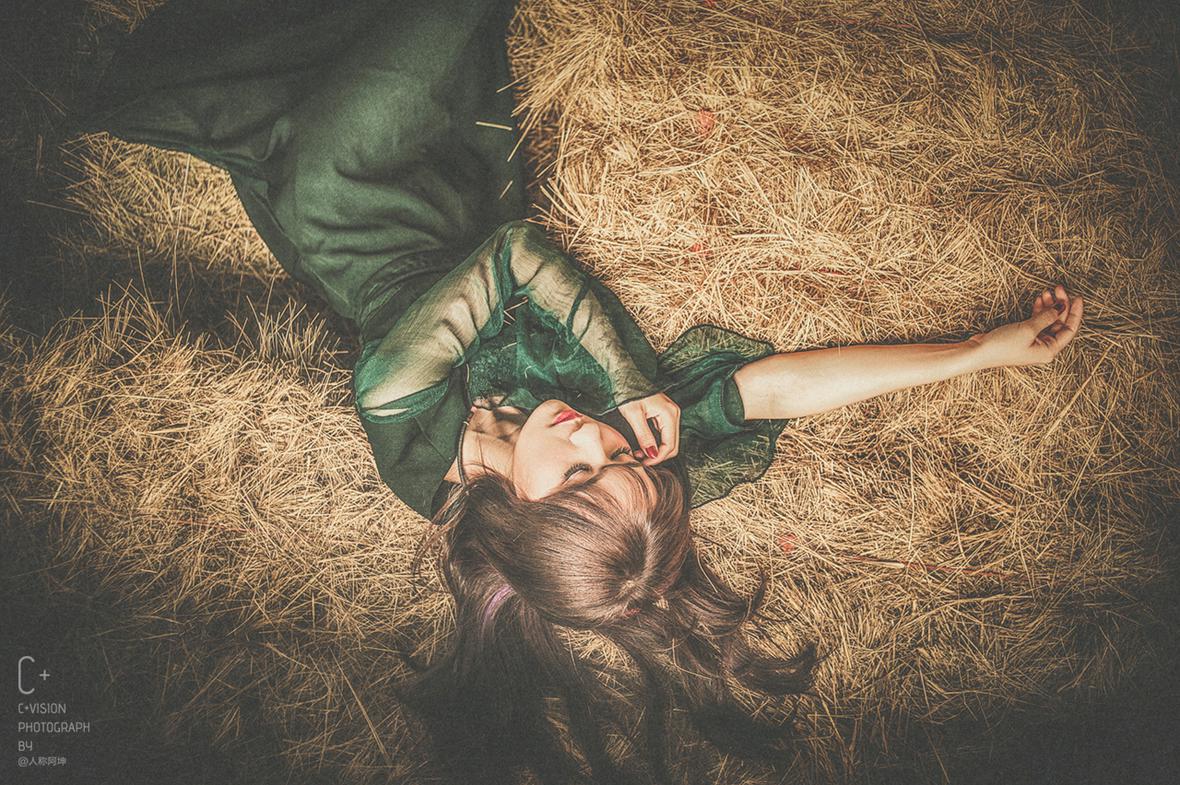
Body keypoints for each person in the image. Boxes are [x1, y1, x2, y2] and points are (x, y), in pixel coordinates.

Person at [79, 1, 1084, 783]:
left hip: (346, 184)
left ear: (513, 514)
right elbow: (775, 390)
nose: (593, 435)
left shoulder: (405, 430)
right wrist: (977, 352)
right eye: (618, 456)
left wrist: (632, 373)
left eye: (576, 470)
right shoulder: (616, 461)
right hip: (467, 181)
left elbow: (517, 257)